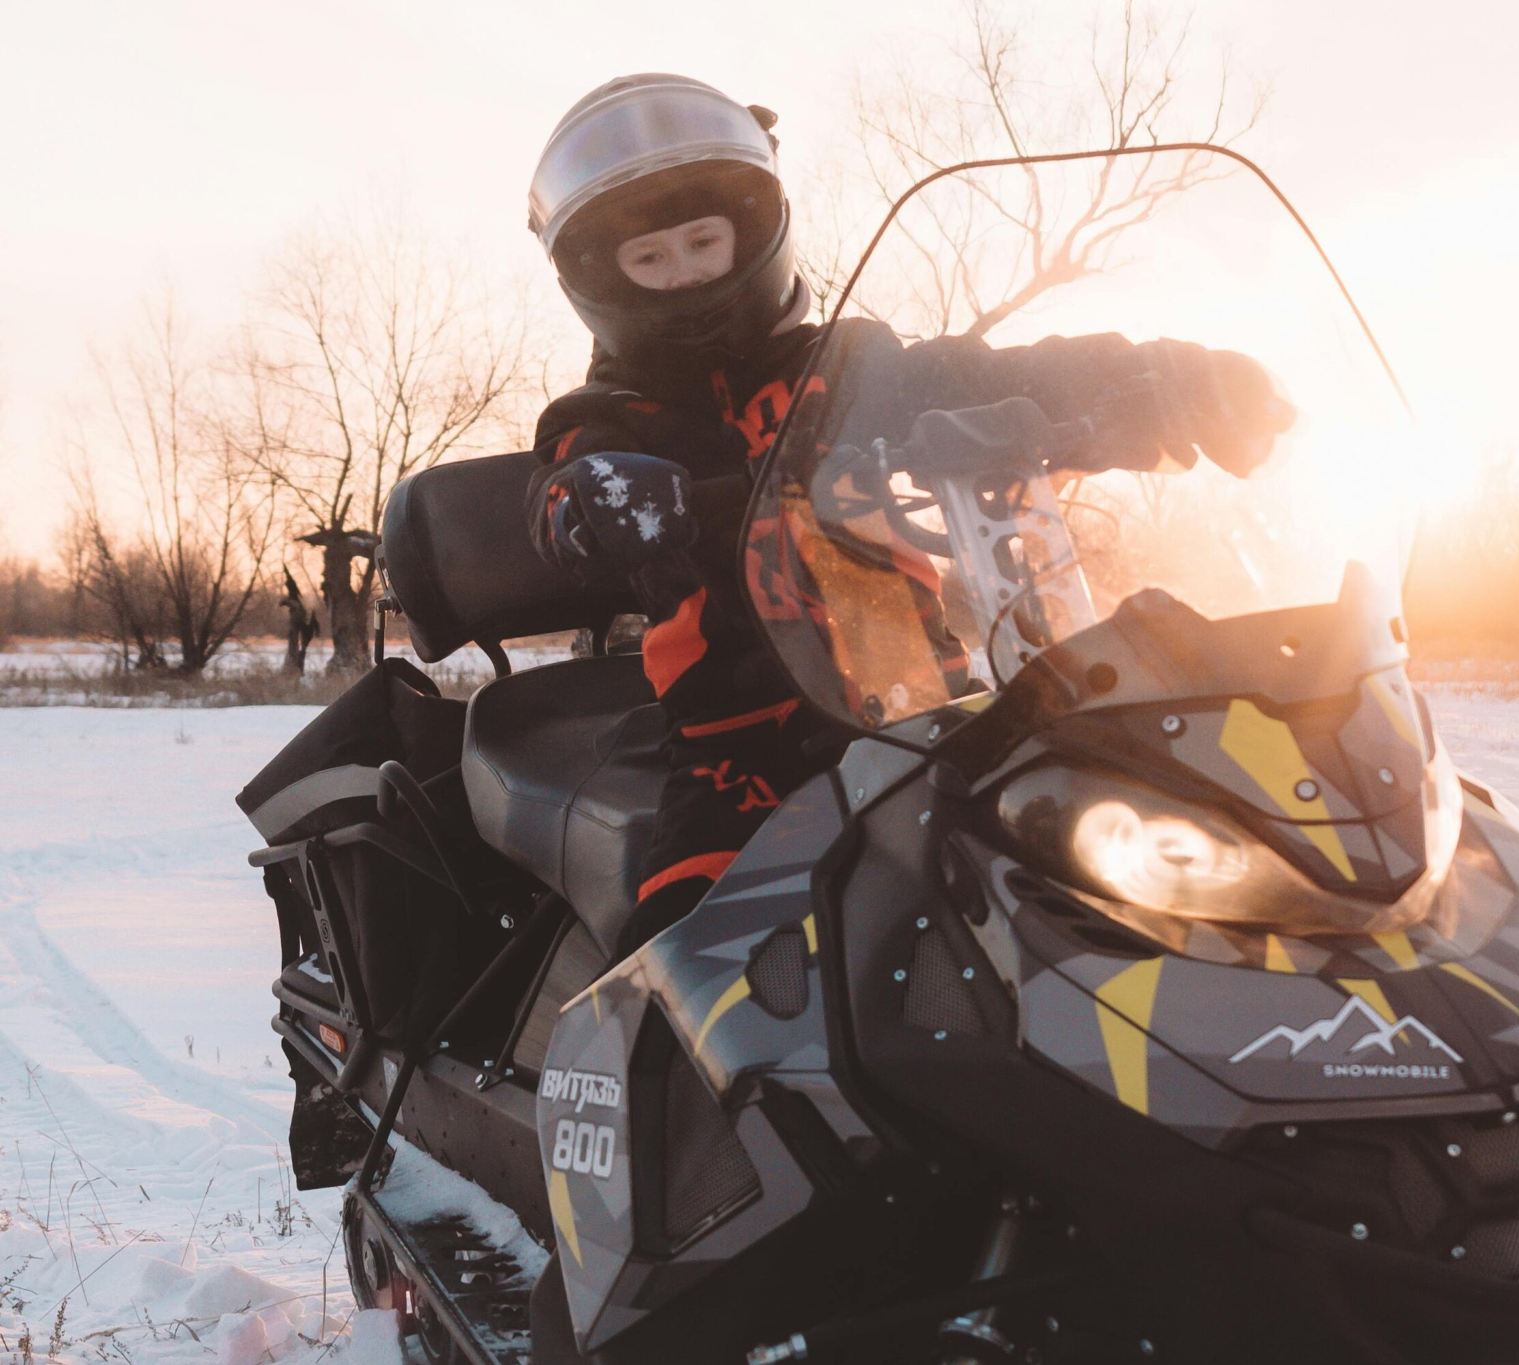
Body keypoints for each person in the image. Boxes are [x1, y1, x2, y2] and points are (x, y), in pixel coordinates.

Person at [523, 73, 1289, 955]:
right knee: (689, 956)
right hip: (738, 751)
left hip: (930, 713)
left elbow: (1000, 377)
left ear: (751, 233)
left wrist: (1169, 381)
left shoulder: (855, 367)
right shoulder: (604, 418)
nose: (686, 271)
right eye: (651, 259)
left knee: (1120, 858)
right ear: (603, 279)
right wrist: (593, 501)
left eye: (703, 241)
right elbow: (556, 496)